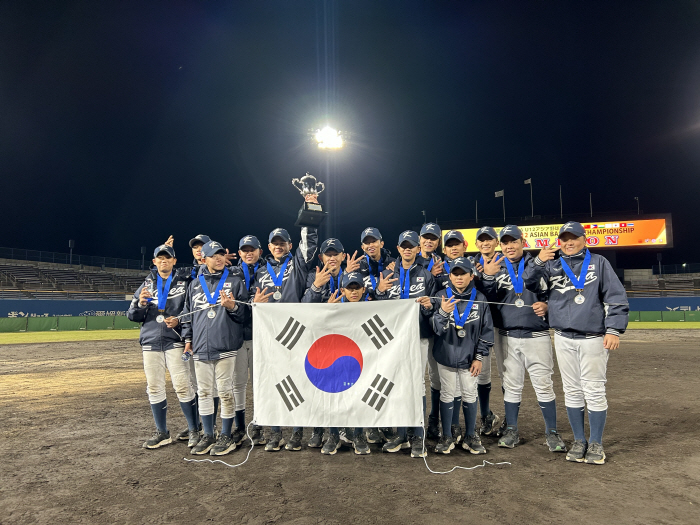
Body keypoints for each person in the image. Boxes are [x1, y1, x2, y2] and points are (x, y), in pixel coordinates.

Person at [523, 221, 628, 465]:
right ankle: (579, 440)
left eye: (574, 238)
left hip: (593, 337)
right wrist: (539, 261)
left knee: (593, 390)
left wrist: (613, 329)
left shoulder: (599, 263)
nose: (569, 243)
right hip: (562, 336)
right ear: (559, 242)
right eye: (564, 239)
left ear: (584, 238)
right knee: (571, 390)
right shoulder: (552, 264)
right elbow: (530, 283)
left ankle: (596, 443)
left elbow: (616, 297)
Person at [479, 225, 567, 453]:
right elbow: (487, 301)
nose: (509, 246)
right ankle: (512, 430)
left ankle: (552, 432)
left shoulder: (540, 262)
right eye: (505, 242)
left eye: (513, 241)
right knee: (511, 384)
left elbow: (558, 294)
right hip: (506, 334)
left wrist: (548, 306)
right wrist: (488, 277)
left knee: (544, 385)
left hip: (536, 334)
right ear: (501, 245)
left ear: (522, 241)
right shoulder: (495, 267)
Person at [253, 194, 319, 452]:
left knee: (298, 382)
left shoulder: (298, 265)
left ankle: (297, 432)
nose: (278, 246)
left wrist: (309, 214)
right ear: (269, 247)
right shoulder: (261, 271)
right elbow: (254, 300)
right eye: (274, 243)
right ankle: (275, 431)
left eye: (282, 243)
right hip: (271, 335)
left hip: (297, 331)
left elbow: (309, 245)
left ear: (290, 246)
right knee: (275, 383)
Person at [128, 245, 199, 449]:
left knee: (183, 385)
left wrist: (179, 322)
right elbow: (132, 316)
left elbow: (190, 311)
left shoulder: (185, 283)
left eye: (168, 258)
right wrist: (140, 305)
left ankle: (194, 429)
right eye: (160, 258)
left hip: (174, 340)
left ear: (175, 261)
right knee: (154, 387)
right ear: (154, 261)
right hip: (151, 341)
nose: (164, 261)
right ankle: (162, 432)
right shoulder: (146, 285)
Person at [181, 240, 248, 456]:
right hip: (200, 347)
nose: (218, 258)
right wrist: (187, 340)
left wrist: (234, 307)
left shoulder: (236, 281)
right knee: (205, 392)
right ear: (204, 259)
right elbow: (187, 316)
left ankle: (226, 435)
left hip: (226, 344)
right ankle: (208, 434)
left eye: (221, 254)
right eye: (213, 255)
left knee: (225, 391)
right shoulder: (194, 284)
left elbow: (245, 315)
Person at [374, 230, 436, 458]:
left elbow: (434, 309)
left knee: (417, 383)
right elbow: (378, 307)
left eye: (412, 246)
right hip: (393, 339)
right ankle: (401, 434)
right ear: (398, 249)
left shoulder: (426, 276)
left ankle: (418, 435)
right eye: (404, 246)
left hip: (418, 337)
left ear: (418, 249)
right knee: (398, 383)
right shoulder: (388, 273)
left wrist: (430, 306)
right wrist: (379, 292)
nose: (408, 249)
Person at [430, 257, 493, 455]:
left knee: (469, 393)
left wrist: (480, 357)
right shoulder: (441, 295)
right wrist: (442, 311)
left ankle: (471, 435)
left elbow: (487, 330)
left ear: (471, 275)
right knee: (448, 393)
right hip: (446, 355)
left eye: (463, 274)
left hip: (470, 357)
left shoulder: (480, 298)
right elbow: (435, 329)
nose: (458, 277)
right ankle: (447, 435)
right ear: (449, 276)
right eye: (455, 274)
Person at [306, 271, 372, 456]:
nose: (353, 292)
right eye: (349, 288)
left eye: (357, 288)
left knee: (359, 397)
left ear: (363, 289)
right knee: (333, 396)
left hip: (359, 361)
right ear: (342, 290)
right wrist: (325, 311)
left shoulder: (371, 308)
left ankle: (359, 435)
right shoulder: (332, 306)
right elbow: (312, 325)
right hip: (335, 361)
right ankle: (333, 435)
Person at [426, 230, 471, 442]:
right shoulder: (436, 269)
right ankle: (435, 419)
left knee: (462, 383)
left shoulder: (474, 268)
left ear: (465, 245)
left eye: (457, 244)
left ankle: (454, 424)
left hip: (465, 334)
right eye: (449, 245)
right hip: (441, 331)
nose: (453, 248)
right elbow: (432, 298)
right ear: (444, 250)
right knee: (437, 379)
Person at [233, 235, 265, 445]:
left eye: (252, 249)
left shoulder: (267, 272)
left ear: (260, 251)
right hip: (236, 336)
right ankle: (239, 426)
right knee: (238, 384)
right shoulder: (232, 273)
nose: (248, 253)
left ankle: (259, 425)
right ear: (240, 253)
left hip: (261, 337)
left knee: (260, 383)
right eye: (244, 250)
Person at [471, 226, 502, 436]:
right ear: (476, 244)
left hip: (498, 322)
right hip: (472, 323)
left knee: (490, 372)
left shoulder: (506, 261)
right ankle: (486, 414)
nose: (485, 243)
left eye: (489, 239)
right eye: (481, 240)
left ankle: (487, 415)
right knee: (474, 372)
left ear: (496, 241)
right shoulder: (471, 264)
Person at [357, 227, 396, 300]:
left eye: (374, 241)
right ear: (362, 247)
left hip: (389, 307)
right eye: (367, 243)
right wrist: (346, 272)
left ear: (381, 244)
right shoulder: (357, 266)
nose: (371, 245)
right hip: (366, 308)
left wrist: (398, 270)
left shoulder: (393, 263)